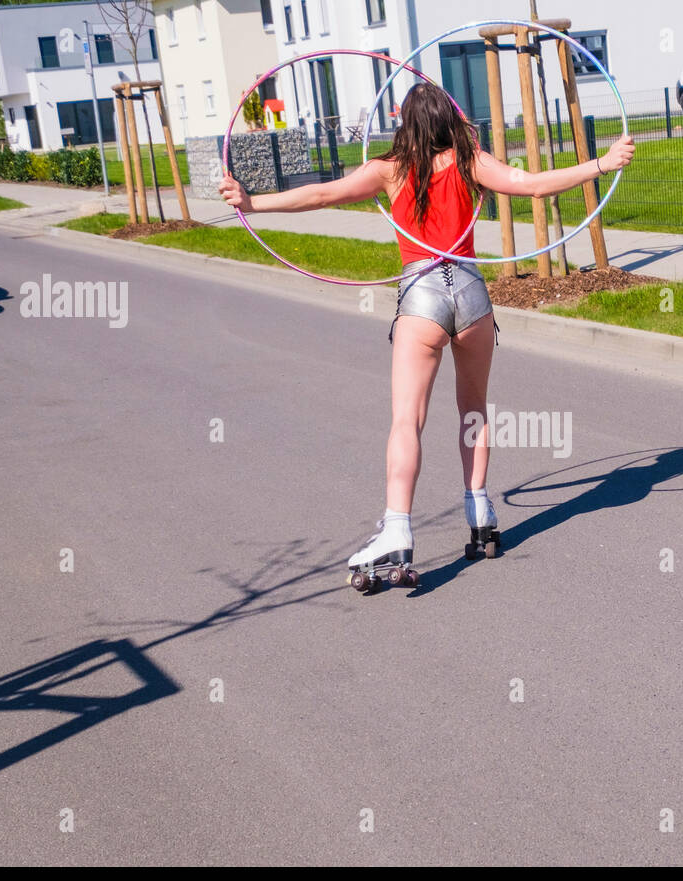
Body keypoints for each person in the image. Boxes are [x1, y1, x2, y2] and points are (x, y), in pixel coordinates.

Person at [219, 82, 634, 583]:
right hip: (473, 295)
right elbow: (534, 184)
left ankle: (398, 527)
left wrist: (253, 202)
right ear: (448, 117)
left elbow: (322, 194)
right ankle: (480, 511)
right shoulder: (468, 160)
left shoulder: (389, 169)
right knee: (474, 411)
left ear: (405, 124)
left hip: (422, 297)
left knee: (406, 421)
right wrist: (601, 163)